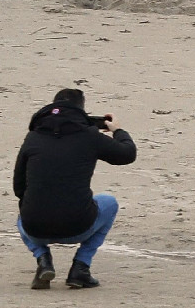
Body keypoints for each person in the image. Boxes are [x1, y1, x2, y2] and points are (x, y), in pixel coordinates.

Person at [13, 88, 135, 290]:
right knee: (109, 203)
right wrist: (118, 131)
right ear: (81, 111)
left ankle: (43, 258)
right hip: (78, 225)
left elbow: (19, 186)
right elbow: (127, 154)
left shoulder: (33, 137)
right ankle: (81, 267)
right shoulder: (89, 136)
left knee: (23, 213)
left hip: (35, 228)